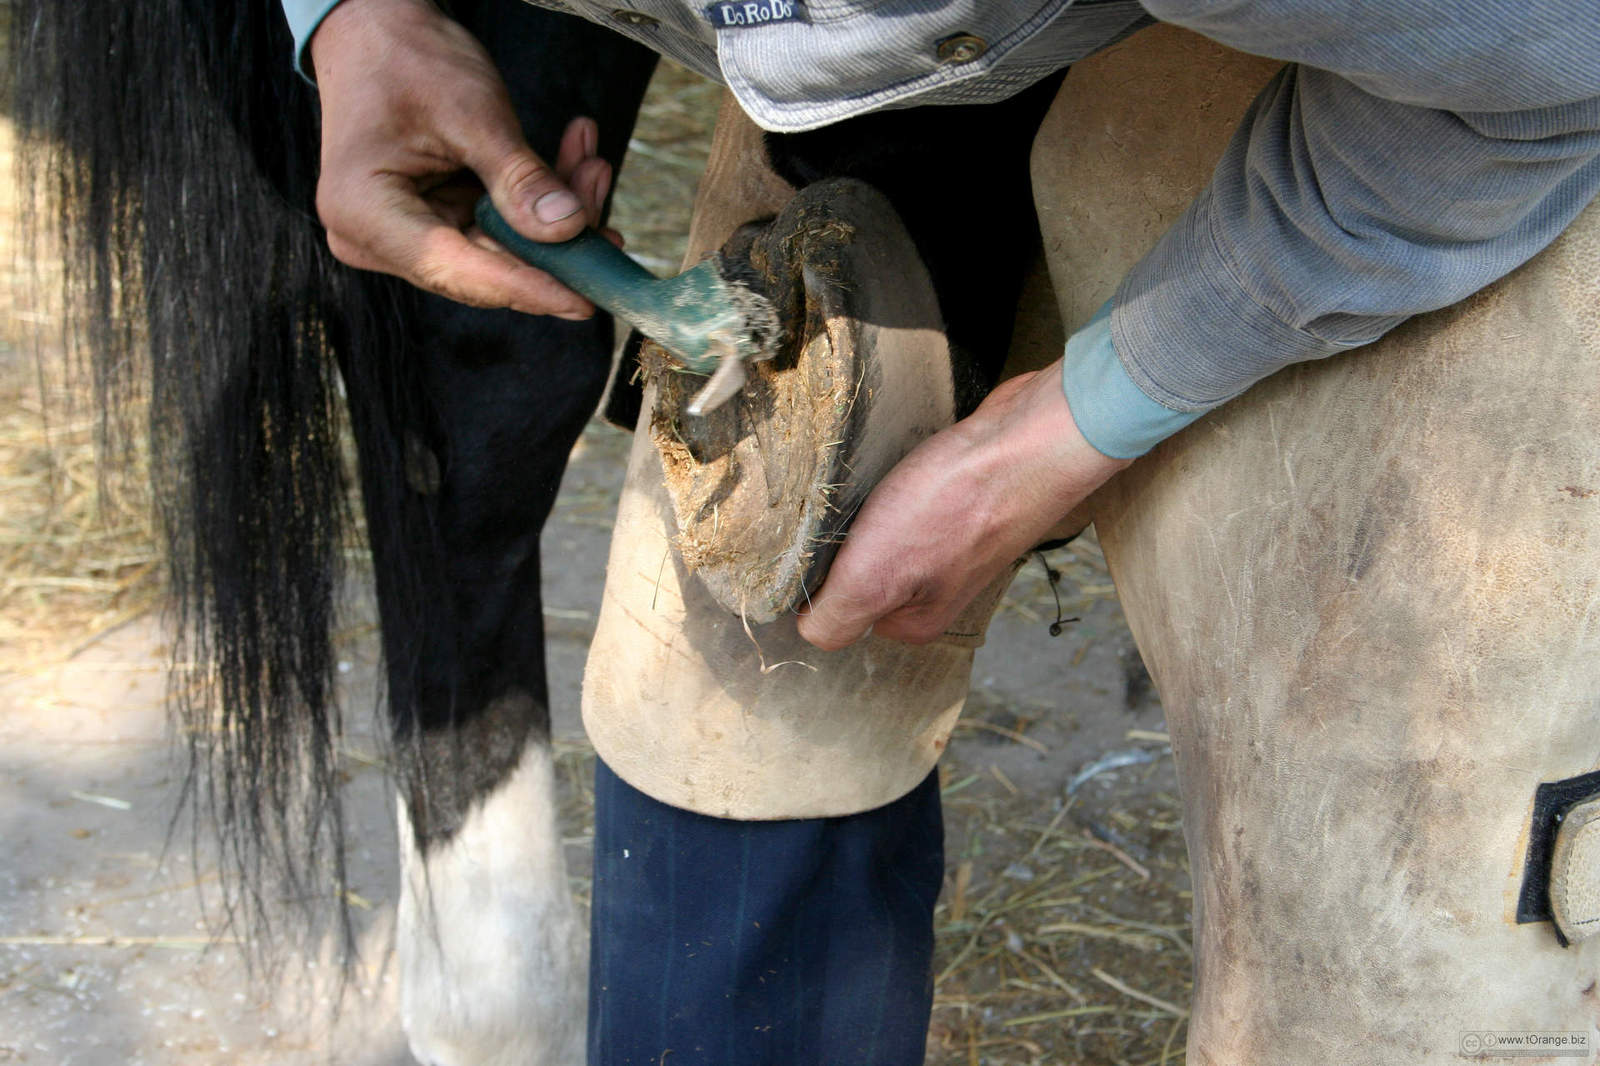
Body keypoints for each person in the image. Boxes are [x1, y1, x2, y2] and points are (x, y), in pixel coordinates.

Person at [284, 0, 1600, 1062]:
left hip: (1460, 112)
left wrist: (1065, 428)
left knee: (1415, 900)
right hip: (906, 52)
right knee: (735, 690)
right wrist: (346, 19)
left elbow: (1552, 71)